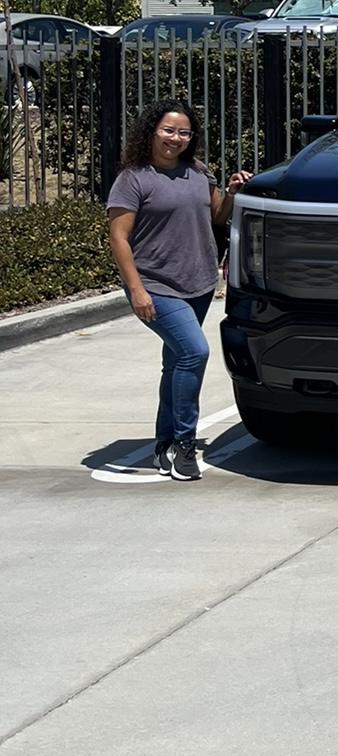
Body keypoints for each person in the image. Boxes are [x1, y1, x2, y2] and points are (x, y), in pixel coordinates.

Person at [106, 101, 251, 480]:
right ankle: (184, 443)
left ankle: (163, 443)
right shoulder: (133, 178)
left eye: (184, 132)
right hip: (155, 285)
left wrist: (233, 193)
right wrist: (136, 290)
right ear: (152, 131)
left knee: (176, 362)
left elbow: (218, 216)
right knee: (194, 353)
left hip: (199, 282)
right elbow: (119, 239)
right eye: (168, 130)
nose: (175, 138)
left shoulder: (199, 172)